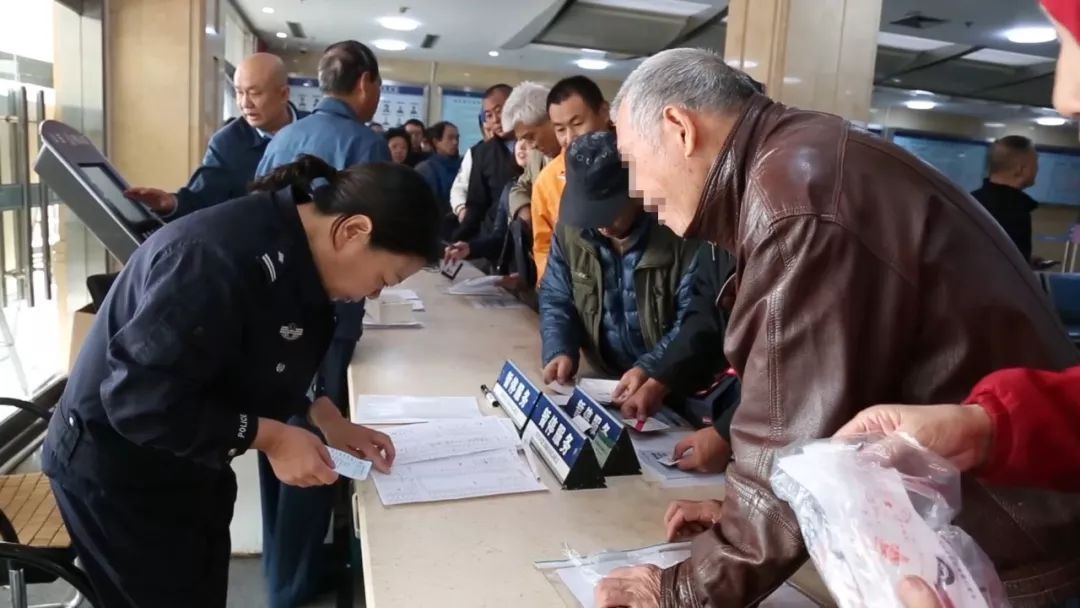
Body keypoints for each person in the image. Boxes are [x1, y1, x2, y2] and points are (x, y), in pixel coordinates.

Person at [595, 47, 1080, 608]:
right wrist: (746, 517)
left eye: (632, 161)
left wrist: (684, 589)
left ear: (679, 128)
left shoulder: (796, 198)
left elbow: (790, 431)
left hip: (1016, 554)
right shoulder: (799, 160)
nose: (637, 191)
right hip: (992, 522)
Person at [41, 155, 441, 608]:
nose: (374, 293)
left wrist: (323, 415)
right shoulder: (213, 259)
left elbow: (265, 350)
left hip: (189, 463)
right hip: (119, 469)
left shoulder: (301, 250)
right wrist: (272, 437)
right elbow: (139, 401)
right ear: (352, 231)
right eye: (383, 278)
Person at [255, 40, 391, 608]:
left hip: (271, 313)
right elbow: (379, 237)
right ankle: (297, 581)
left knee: (281, 434)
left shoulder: (284, 138)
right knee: (313, 446)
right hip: (327, 316)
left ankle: (280, 570)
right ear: (366, 83)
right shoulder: (365, 142)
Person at [539, 132, 699, 403]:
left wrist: (651, 369)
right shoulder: (571, 231)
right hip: (603, 381)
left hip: (671, 386)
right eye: (590, 213)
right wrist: (559, 348)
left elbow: (692, 319)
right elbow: (556, 296)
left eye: (609, 212)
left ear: (636, 191)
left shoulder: (679, 235)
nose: (601, 224)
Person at [125, 53, 300, 220]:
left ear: (283, 94)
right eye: (239, 92)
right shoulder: (228, 142)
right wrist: (170, 204)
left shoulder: (312, 129)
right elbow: (201, 199)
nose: (245, 103)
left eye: (255, 93)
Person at [531, 76, 612, 282]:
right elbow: (543, 247)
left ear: (604, 112)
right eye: (560, 129)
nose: (569, 138)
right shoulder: (547, 181)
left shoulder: (636, 160)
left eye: (577, 123)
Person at [443, 138, 531, 269]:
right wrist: (470, 248)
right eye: (519, 139)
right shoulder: (510, 189)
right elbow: (500, 239)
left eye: (529, 139)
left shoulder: (548, 182)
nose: (522, 146)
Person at [452, 84, 520, 242]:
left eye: (499, 111)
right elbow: (476, 204)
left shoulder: (537, 145)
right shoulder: (482, 153)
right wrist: (460, 240)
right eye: (489, 115)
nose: (495, 120)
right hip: (494, 238)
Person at [970, 135, 1040, 263]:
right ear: (1021, 169)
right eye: (1035, 163)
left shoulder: (970, 200)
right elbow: (1008, 265)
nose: (1038, 169)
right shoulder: (1016, 211)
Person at [414, 121, 461, 213]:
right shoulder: (426, 169)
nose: (455, 142)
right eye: (450, 138)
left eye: (457, 138)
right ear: (436, 142)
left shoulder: (464, 165)